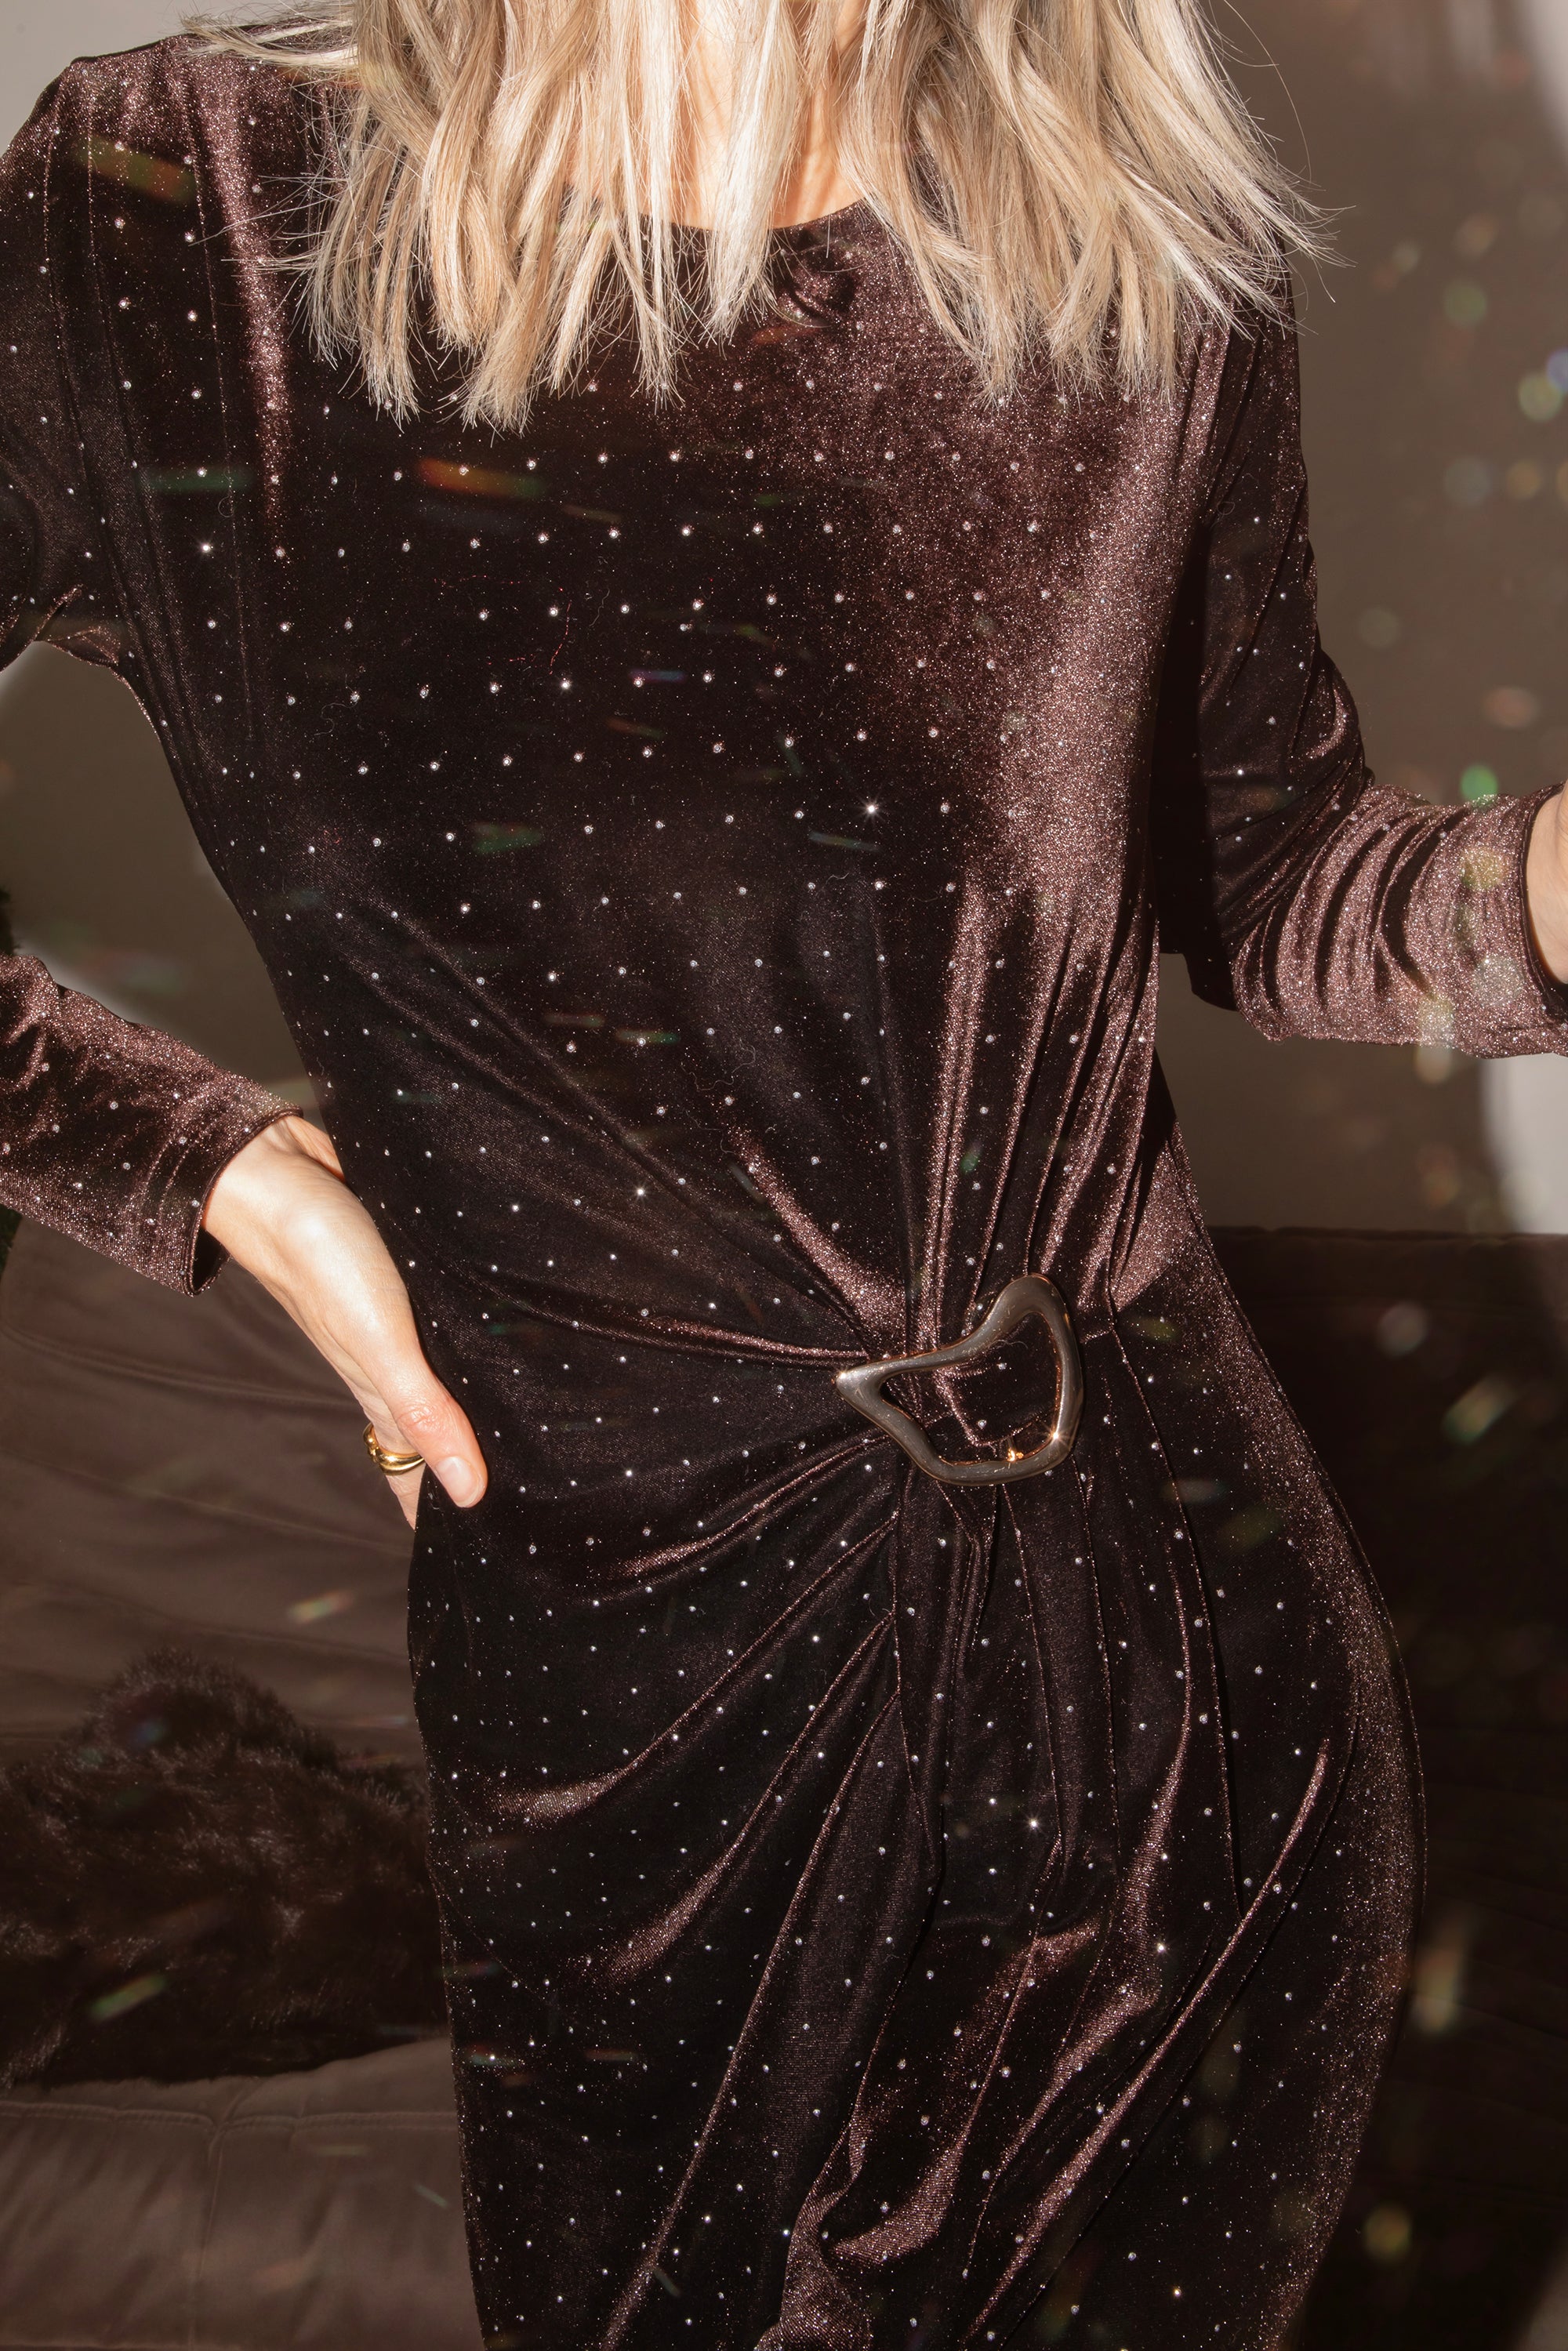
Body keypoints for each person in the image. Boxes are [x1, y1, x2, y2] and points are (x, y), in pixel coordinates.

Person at [2, 1, 1566, 2341]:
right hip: (638, 1716)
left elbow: (1263, 872)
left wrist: (1541, 893)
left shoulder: (1126, 227)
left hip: (1183, 1678)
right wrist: (217, 1171)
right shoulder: (175, 205)